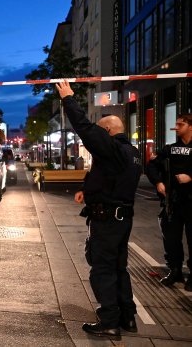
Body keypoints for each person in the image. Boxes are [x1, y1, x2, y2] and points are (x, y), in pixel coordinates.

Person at [56, 81, 141, 338]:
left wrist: (69, 99)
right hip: (123, 218)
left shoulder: (112, 149)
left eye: (101, 132)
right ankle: (127, 318)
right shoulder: (132, 152)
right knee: (118, 268)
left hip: (107, 221)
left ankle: (109, 322)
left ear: (107, 131)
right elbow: (108, 178)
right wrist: (87, 190)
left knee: (102, 269)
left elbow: (85, 128)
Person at [145, 114, 192, 291]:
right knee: (171, 239)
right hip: (173, 201)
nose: (176, 127)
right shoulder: (170, 149)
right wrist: (158, 182)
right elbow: (151, 165)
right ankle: (175, 270)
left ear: (191, 127)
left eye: (181, 124)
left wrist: (190, 177)